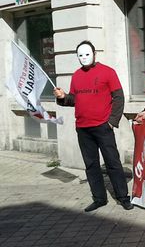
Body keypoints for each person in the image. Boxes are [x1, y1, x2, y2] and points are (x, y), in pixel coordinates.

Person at [53, 41, 133, 212]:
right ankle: (99, 198)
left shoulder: (108, 72)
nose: (84, 58)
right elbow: (74, 100)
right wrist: (62, 97)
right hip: (83, 128)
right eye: (80, 55)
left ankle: (123, 197)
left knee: (113, 162)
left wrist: (112, 121)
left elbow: (118, 97)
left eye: (87, 54)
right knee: (91, 165)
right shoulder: (76, 75)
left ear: (94, 54)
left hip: (103, 126)